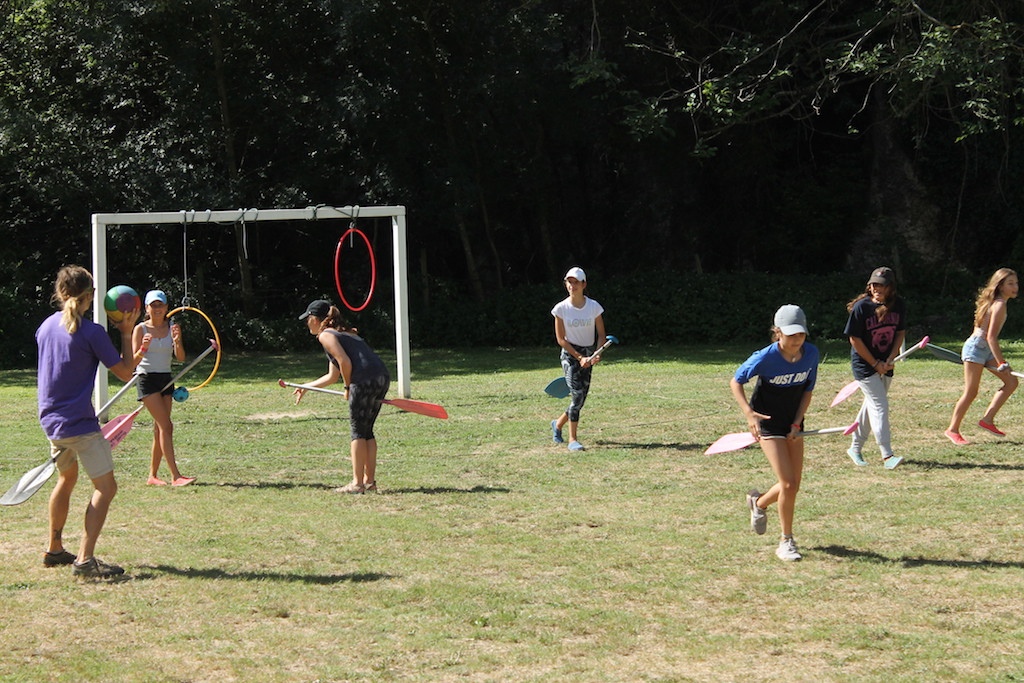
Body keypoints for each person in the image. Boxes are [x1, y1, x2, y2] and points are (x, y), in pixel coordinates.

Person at [36, 265, 149, 578]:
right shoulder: (92, 332)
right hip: (80, 426)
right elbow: (127, 374)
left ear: (61, 294)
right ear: (89, 298)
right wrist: (127, 333)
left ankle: (54, 549)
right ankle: (85, 560)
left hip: (52, 423)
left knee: (66, 479)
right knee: (106, 487)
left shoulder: (45, 327)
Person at [730, 305, 819, 562]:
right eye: (790, 335)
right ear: (777, 332)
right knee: (788, 483)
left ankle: (758, 504)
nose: (796, 340)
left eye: (800, 335)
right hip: (767, 423)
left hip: (792, 423)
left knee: (792, 486)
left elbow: (807, 390)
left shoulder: (811, 354)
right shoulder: (765, 357)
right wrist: (749, 414)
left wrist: (797, 422)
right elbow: (736, 381)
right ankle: (786, 542)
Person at [292, 299, 391, 494]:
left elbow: (345, 362)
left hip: (363, 380)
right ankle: (369, 482)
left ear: (315, 319)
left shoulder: (326, 336)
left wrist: (347, 387)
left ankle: (357, 484)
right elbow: (332, 376)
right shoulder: (345, 333)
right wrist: (306, 387)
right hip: (381, 378)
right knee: (367, 430)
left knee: (357, 432)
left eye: (308, 319)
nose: (306, 323)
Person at [843, 266, 907, 469]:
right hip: (864, 364)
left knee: (871, 406)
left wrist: (890, 357)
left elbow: (900, 333)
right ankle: (887, 455)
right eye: (873, 284)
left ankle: (855, 448)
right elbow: (854, 339)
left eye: (881, 285)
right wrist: (874, 363)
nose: (876, 288)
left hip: (886, 363)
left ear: (890, 287)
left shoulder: (899, 305)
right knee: (879, 405)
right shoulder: (861, 308)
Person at [945, 268, 1019, 444]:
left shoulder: (998, 302)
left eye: (1016, 283)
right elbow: (990, 337)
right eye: (1010, 284)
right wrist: (1002, 361)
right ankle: (952, 430)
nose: (1015, 287)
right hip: (976, 349)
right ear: (1000, 286)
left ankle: (987, 420)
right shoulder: (999, 304)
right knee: (971, 391)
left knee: (1011, 382)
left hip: (983, 349)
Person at [132, 290, 194, 486]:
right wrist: (143, 348)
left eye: (161, 305)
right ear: (147, 308)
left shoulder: (172, 328)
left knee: (160, 429)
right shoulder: (140, 329)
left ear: (167, 308)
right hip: (146, 379)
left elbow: (181, 358)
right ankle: (176, 476)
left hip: (166, 379)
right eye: (153, 305)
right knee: (167, 426)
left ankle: (152, 476)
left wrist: (177, 342)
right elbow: (132, 362)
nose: (157, 309)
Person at [550, 266, 605, 452]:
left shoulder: (594, 307)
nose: (572, 285)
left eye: (576, 282)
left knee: (580, 400)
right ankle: (573, 439)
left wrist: (596, 354)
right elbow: (561, 340)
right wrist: (580, 357)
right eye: (569, 282)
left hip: (588, 354)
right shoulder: (561, 309)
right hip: (570, 355)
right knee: (578, 395)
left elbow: (601, 336)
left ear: (584, 284)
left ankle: (557, 424)